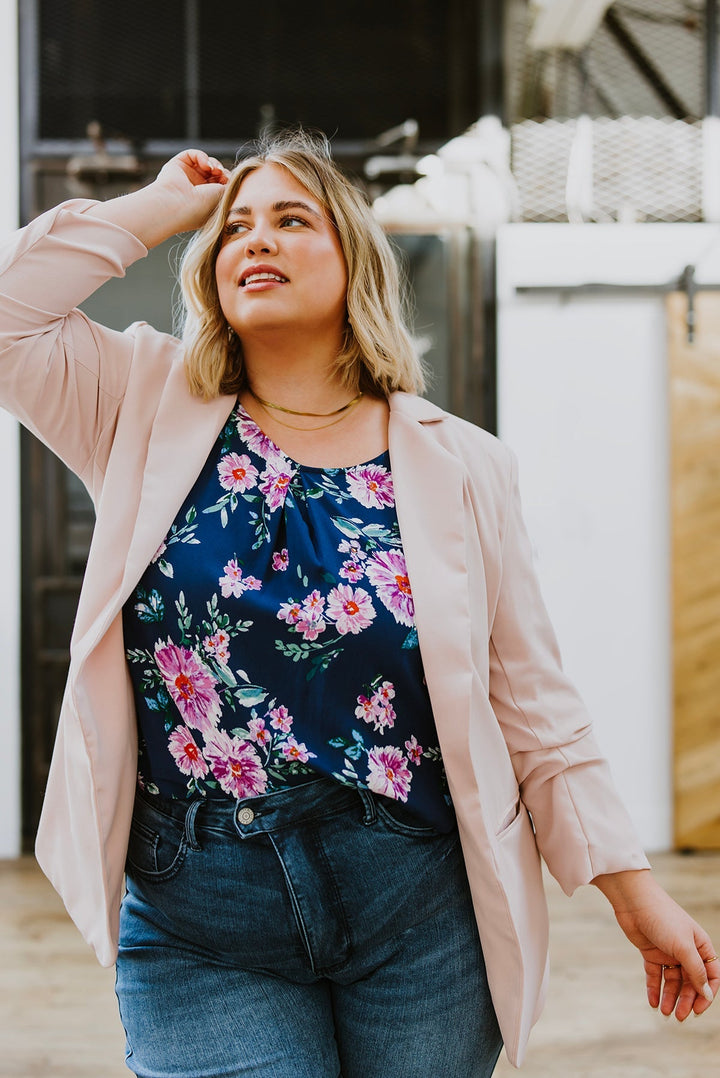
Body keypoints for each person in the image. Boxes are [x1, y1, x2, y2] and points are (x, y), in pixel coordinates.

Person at [0, 130, 717, 1077]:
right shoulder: (136, 402)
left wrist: (633, 891)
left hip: (416, 910)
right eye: (234, 228)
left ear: (356, 261)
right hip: (201, 912)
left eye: (292, 220)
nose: (253, 239)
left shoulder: (463, 463)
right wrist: (164, 205)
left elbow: (532, 699)